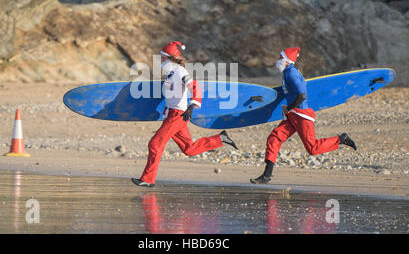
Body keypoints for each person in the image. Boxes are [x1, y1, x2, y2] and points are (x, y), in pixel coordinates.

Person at [132, 41, 238, 187]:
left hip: (178, 116)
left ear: (170, 58)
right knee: (189, 149)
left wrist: (192, 106)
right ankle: (220, 138)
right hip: (171, 115)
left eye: (163, 58)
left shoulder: (180, 72)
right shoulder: (170, 73)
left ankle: (148, 179)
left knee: (155, 144)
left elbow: (196, 88)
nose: (161, 61)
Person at [250, 47, 357, 184]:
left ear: (287, 61)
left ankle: (341, 139)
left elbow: (301, 95)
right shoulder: (287, 73)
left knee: (312, 148)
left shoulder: (292, 74)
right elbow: (288, 93)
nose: (278, 60)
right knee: (274, 138)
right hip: (292, 115)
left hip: (301, 115)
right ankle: (266, 175)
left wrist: (288, 108)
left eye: (280, 58)